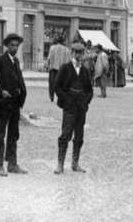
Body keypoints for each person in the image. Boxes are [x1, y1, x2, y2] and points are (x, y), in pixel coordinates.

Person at [0, 33, 28, 177]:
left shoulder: (16, 61)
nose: (14, 48)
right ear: (7, 46)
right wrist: (0, 92)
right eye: (12, 45)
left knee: (14, 134)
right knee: (0, 133)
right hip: (4, 103)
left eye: (16, 46)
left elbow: (19, 80)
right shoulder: (0, 60)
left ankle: (12, 164)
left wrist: (22, 95)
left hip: (15, 103)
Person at [53, 42, 93, 175]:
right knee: (65, 135)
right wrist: (67, 101)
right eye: (76, 52)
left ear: (83, 54)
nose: (78, 55)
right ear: (72, 53)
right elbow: (57, 87)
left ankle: (75, 163)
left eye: (81, 53)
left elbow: (89, 90)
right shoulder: (65, 68)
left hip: (81, 108)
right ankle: (60, 164)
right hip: (69, 107)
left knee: (79, 136)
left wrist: (85, 103)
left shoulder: (85, 71)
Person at [46, 36, 71, 103]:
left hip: (53, 69)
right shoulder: (66, 49)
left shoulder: (52, 48)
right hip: (63, 69)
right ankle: (61, 97)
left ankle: (51, 96)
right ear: (63, 41)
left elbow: (49, 58)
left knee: (52, 83)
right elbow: (69, 60)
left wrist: (47, 65)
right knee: (62, 84)